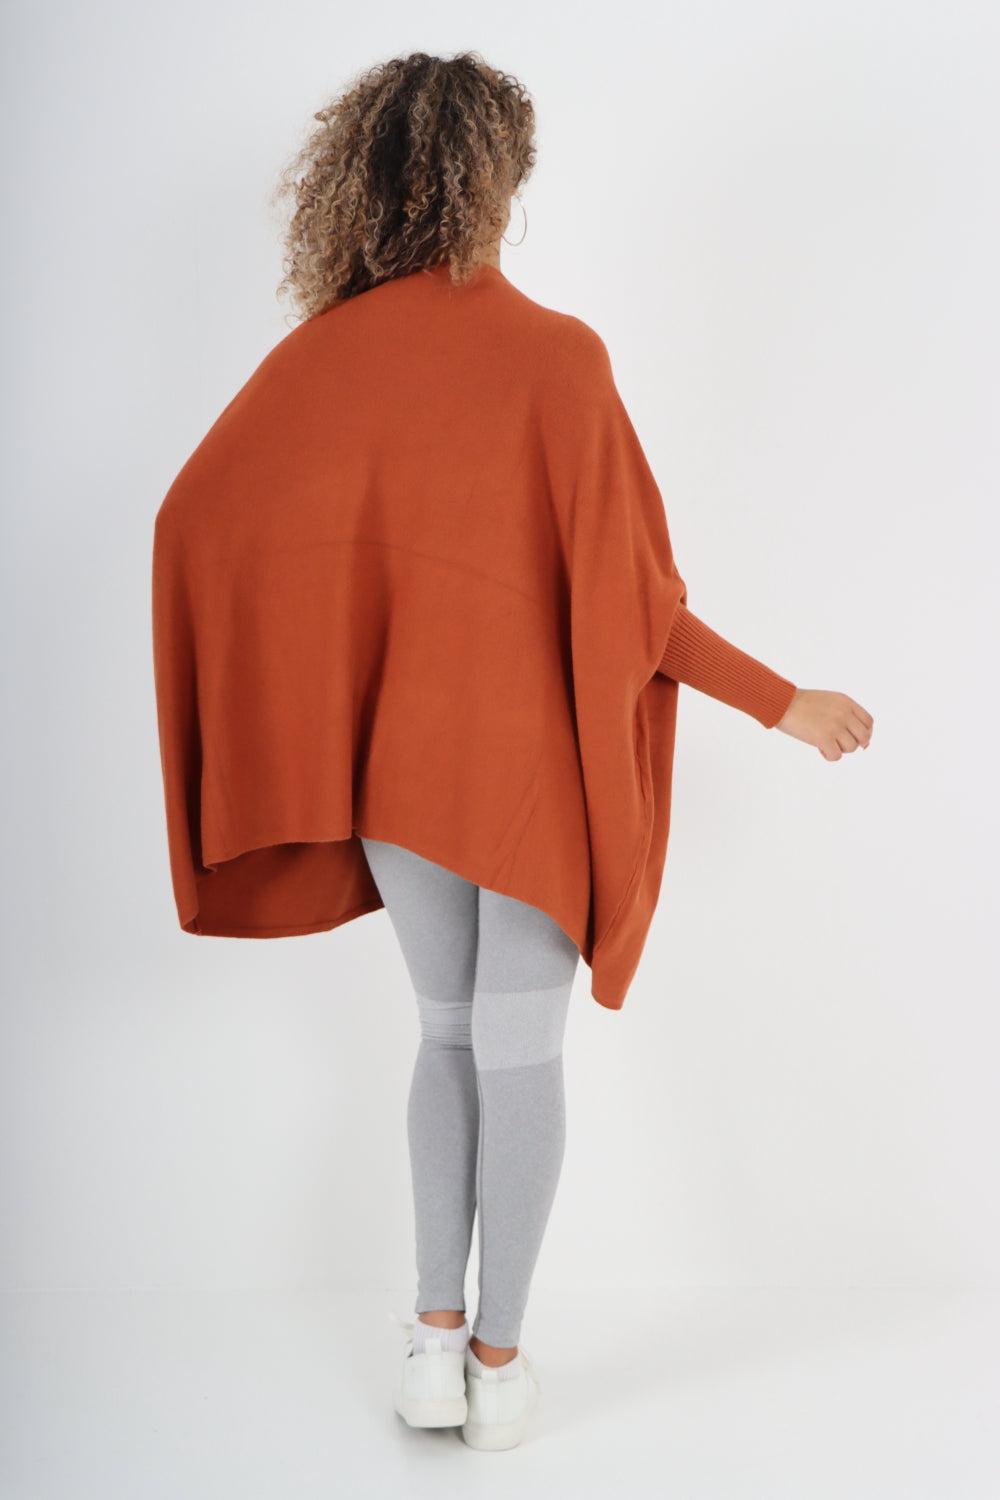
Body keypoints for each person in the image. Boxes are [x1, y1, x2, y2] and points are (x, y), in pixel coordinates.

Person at [152, 49, 873, 1452]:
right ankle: (497, 1362)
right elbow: (636, 606)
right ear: (497, 178)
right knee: (521, 1052)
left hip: (396, 779)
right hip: (527, 778)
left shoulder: (321, 359)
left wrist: (323, 664)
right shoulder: (560, 359)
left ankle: (431, 1349)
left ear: (367, 178)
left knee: (444, 1034)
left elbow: (195, 519)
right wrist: (780, 700)